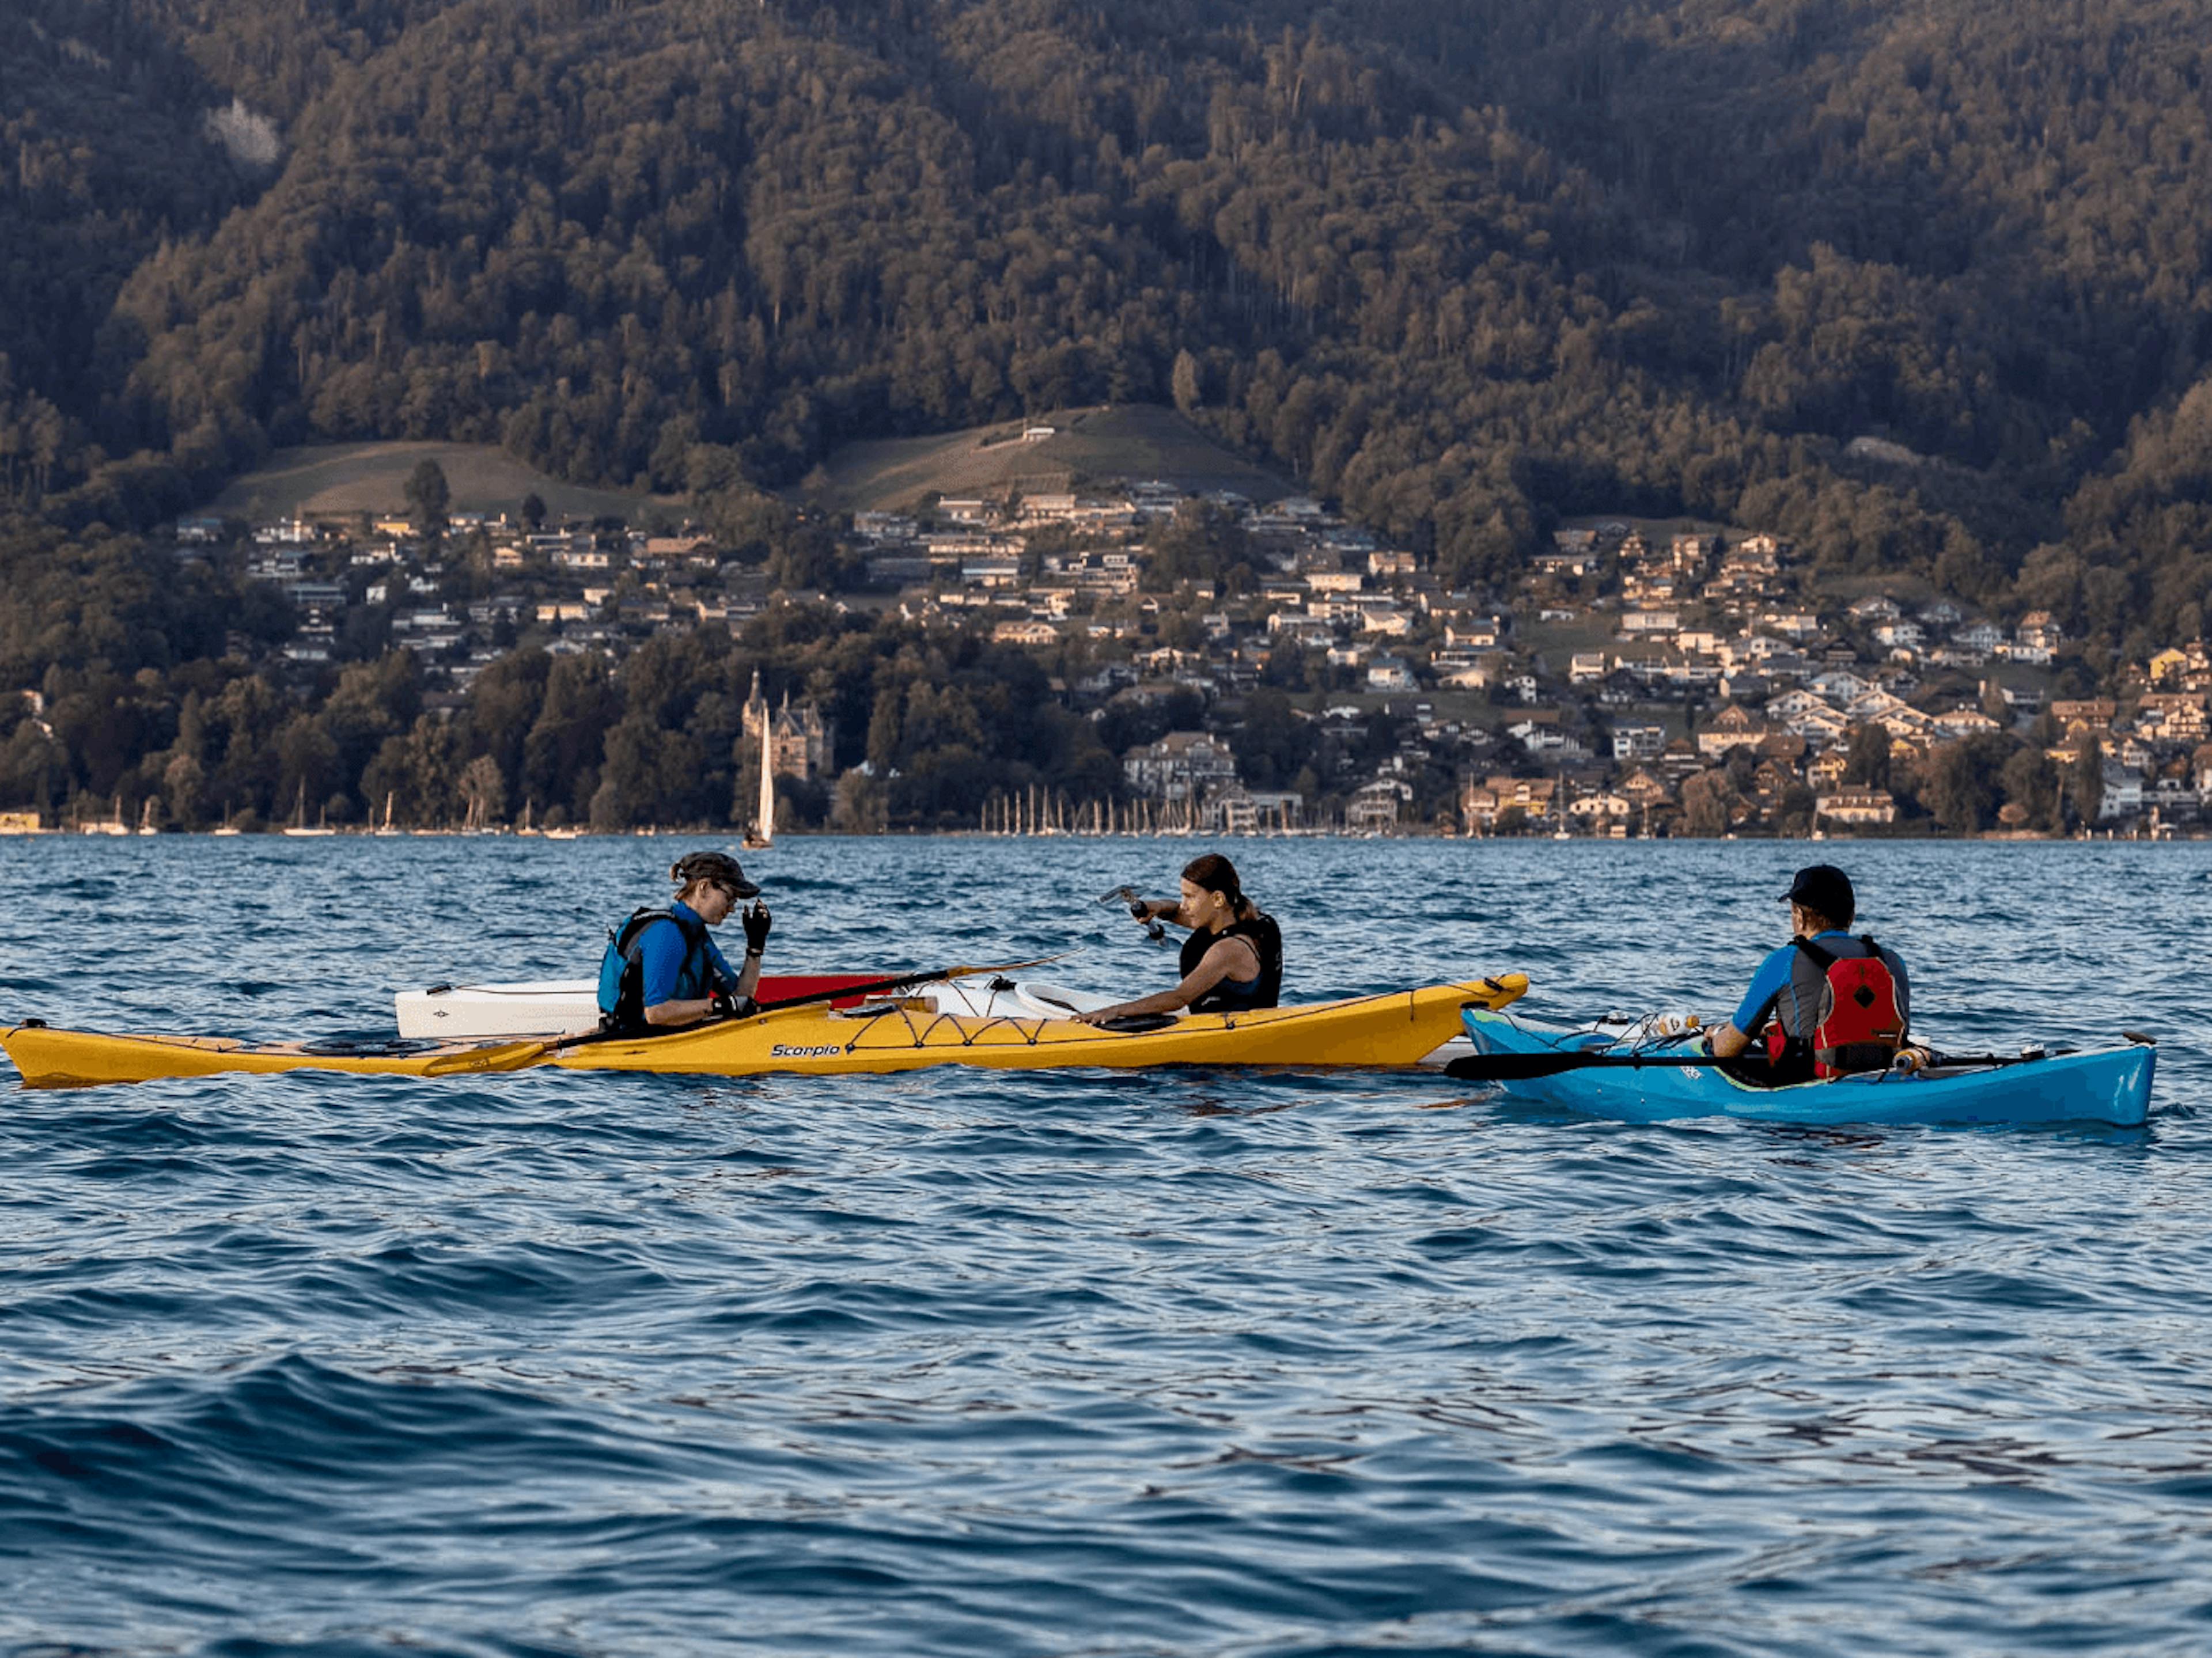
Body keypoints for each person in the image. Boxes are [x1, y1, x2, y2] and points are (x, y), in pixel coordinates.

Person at [1707, 864, 1909, 1082]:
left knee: (1713, 1051)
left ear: (1800, 916)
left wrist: (1716, 1035)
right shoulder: (1892, 961)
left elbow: (1727, 1050)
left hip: (1806, 1083)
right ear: (1851, 916)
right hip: (1881, 1076)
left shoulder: (1783, 961)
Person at [1078, 852, 1283, 1025]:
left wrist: (1115, 1011)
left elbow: (1179, 998)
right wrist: (1158, 907)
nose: (1184, 905)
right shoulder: (1254, 921)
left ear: (1218, 899)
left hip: (1230, 1053)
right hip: (1240, 1027)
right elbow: (1178, 912)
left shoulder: (1228, 950)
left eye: (1190, 897)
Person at [596, 851, 773, 1034]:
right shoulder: (666, 933)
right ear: (704, 888)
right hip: (631, 1039)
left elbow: (741, 998)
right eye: (729, 898)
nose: (732, 909)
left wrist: (755, 946)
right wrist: (720, 1005)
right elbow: (656, 1013)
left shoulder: (699, 938)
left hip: (670, 1035)